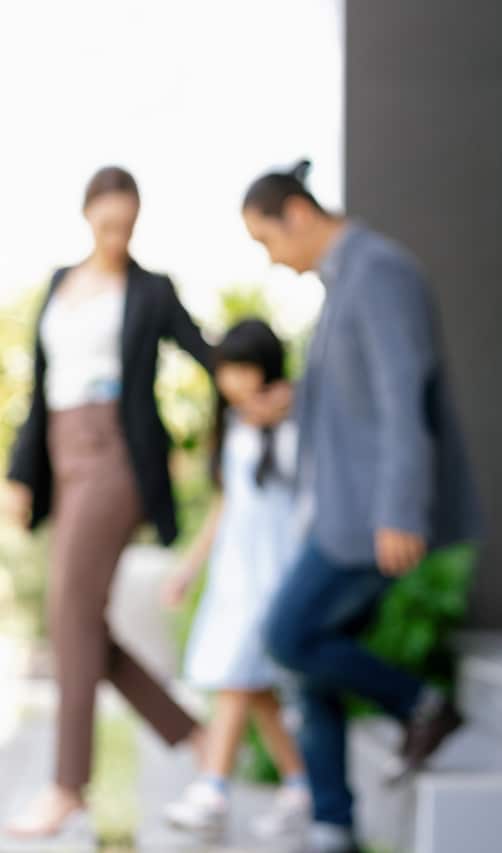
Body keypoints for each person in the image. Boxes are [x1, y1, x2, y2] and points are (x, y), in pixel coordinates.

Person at [0, 167, 275, 839]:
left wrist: (261, 385)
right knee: (80, 624)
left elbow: (203, 351)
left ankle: (68, 785)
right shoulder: (62, 287)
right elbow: (43, 386)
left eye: (128, 225)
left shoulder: (151, 291)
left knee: (69, 609)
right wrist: (19, 472)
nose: (117, 236)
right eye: (107, 223)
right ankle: (196, 734)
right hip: (63, 455)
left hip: (117, 458)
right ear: (88, 214)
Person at [242, 161, 481, 853]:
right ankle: (333, 825)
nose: (274, 261)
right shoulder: (345, 282)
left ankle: (422, 704)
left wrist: (400, 509)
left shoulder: (379, 271)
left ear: (295, 213)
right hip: (340, 514)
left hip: (368, 521)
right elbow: (357, 394)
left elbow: (402, 397)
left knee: (286, 634)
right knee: (310, 658)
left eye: (268, 241)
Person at [160, 319, 311, 839]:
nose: (233, 382)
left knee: (236, 677)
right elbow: (227, 506)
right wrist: (188, 569)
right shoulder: (232, 426)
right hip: (234, 573)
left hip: (278, 571)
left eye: (244, 369)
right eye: (227, 371)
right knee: (256, 688)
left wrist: (296, 406)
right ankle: (300, 785)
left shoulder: (296, 422)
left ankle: (213, 789)